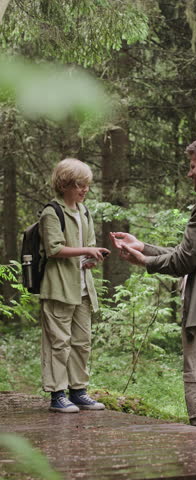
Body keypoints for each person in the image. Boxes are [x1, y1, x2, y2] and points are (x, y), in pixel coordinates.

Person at [110, 136, 196, 435]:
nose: (189, 173)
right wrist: (144, 248)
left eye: (193, 166)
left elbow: (184, 262)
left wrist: (144, 262)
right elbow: (193, 255)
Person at [39, 158, 110, 413]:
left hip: (82, 288)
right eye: (79, 184)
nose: (84, 190)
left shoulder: (84, 211)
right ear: (65, 184)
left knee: (82, 342)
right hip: (59, 287)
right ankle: (57, 394)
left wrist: (91, 258)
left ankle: (78, 391)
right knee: (59, 342)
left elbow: (86, 244)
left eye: (87, 185)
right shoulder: (52, 212)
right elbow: (54, 248)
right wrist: (86, 249)